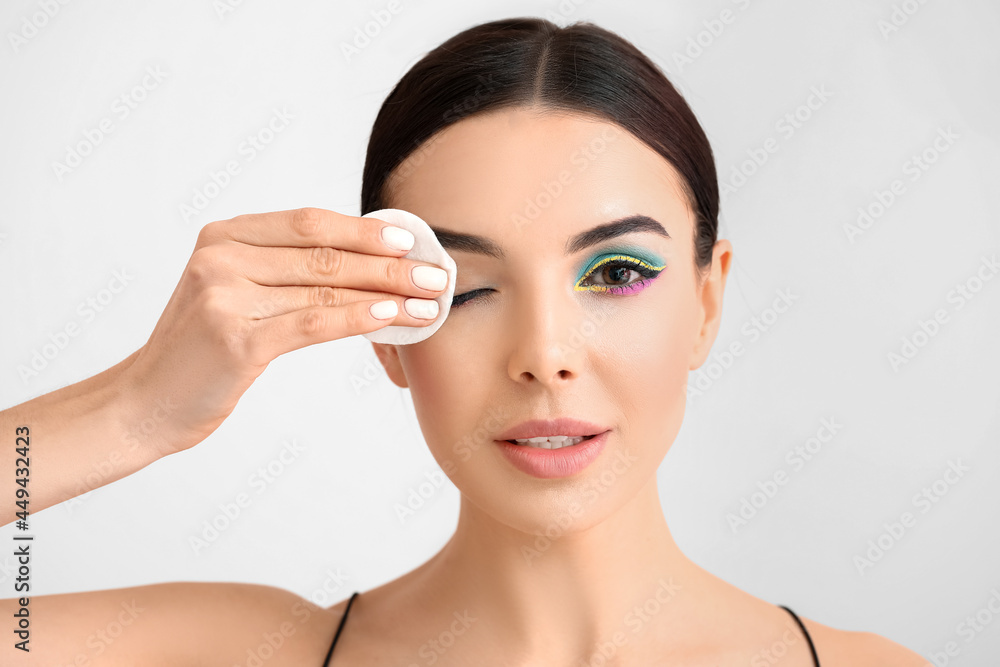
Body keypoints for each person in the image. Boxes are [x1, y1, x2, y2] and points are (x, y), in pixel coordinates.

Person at [1, 17, 927, 666]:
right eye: (470, 287)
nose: (545, 353)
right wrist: (133, 411)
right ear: (388, 335)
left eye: (615, 274)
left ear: (709, 300)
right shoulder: (245, 654)